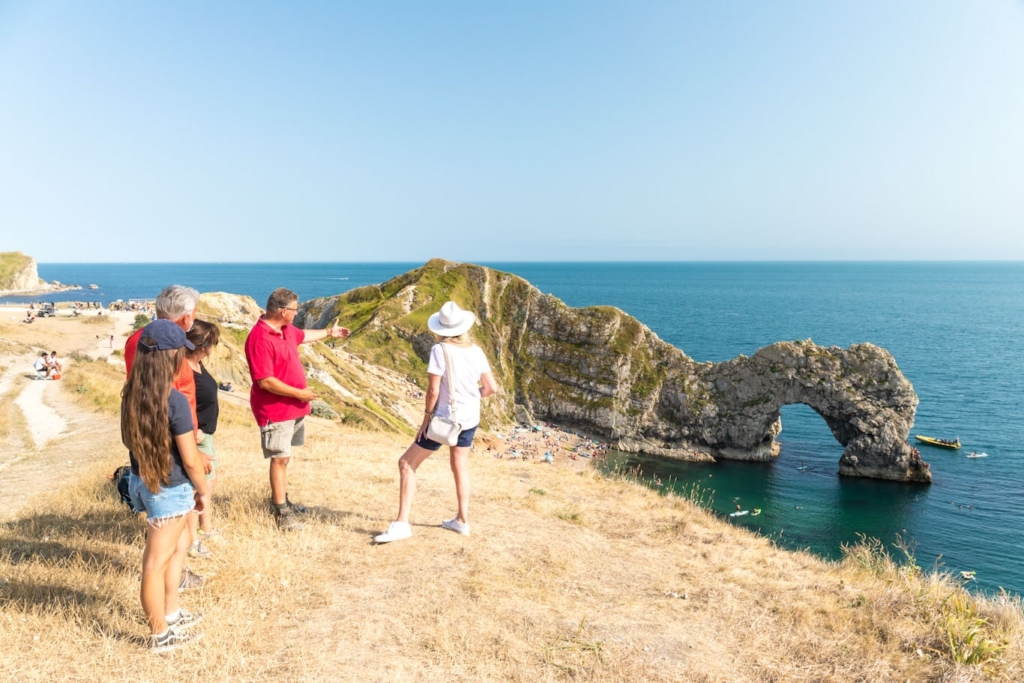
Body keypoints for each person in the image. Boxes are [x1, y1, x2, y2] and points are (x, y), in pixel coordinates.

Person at [375, 301, 498, 543]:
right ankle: (462, 521)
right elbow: (491, 388)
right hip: (469, 418)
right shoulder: (476, 350)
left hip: (445, 419)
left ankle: (402, 523)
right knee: (460, 467)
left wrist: (426, 420)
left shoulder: (440, 350)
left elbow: (432, 391)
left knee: (406, 464)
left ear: (441, 328)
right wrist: (470, 399)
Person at [121, 319, 210, 652]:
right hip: (169, 488)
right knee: (154, 563)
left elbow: (128, 439)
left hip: (143, 481)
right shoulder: (174, 401)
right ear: (171, 357)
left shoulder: (130, 392)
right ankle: (159, 633)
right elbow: (190, 460)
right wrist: (201, 491)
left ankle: (170, 613)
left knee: (181, 543)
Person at [244, 288, 349, 531]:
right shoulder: (260, 338)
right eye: (294, 309)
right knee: (279, 458)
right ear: (283, 311)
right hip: (275, 409)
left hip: (293, 408)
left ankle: (283, 501)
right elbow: (265, 381)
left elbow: (303, 335)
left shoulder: (286, 330)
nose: (297, 312)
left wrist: (328, 333)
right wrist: (300, 393)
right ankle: (281, 513)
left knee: (285, 457)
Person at [125, 285, 212, 571]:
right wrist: (194, 453)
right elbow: (169, 402)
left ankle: (175, 575)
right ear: (187, 318)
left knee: (176, 531)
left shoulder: (140, 340)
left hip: (161, 445)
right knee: (172, 539)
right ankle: (174, 584)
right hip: (174, 449)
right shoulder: (168, 348)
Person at [186, 319, 222, 551]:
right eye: (213, 342)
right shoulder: (185, 369)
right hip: (196, 436)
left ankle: (205, 528)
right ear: (203, 344)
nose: (214, 346)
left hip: (205, 433)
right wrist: (192, 433)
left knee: (207, 484)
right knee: (194, 488)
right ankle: (193, 540)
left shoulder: (197, 364)